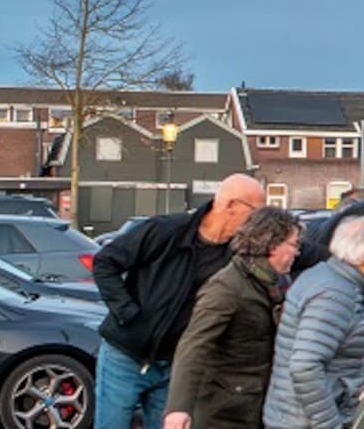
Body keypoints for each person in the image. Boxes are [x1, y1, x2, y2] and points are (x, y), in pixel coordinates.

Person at [93, 174, 266, 429]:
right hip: (126, 355)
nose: (259, 222)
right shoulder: (165, 231)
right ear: (231, 205)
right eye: (256, 212)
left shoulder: (237, 255)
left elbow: (292, 250)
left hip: (175, 367)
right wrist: (127, 313)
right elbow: (105, 262)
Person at [263, 216, 364, 428]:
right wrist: (330, 424)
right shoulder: (335, 295)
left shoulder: (329, 275)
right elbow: (305, 367)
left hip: (292, 416)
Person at [163, 207, 304, 429]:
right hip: (223, 412)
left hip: (255, 406)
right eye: (294, 244)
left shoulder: (274, 283)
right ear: (272, 244)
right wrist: (178, 408)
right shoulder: (226, 288)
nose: (297, 252)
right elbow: (194, 345)